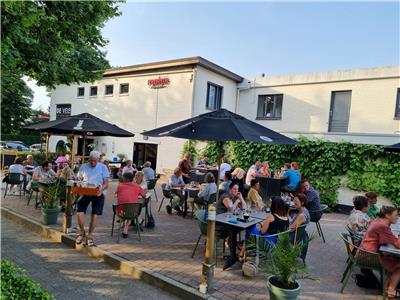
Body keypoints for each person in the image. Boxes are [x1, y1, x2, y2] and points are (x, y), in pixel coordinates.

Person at [360, 206, 400, 298]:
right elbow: (398, 245)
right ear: (387, 215)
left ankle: (386, 287)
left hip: (365, 252)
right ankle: (390, 291)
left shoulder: (378, 221)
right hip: (368, 257)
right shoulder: (383, 226)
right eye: (396, 215)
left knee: (395, 258)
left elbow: (390, 240)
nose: (397, 217)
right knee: (398, 262)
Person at [75, 151, 109, 247]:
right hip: (86, 192)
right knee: (79, 212)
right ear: (89, 159)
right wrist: (79, 184)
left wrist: (101, 189)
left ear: (98, 159)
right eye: (91, 160)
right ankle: (81, 232)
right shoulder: (84, 166)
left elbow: (106, 183)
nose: (93, 162)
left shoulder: (103, 167)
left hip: (98, 193)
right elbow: (79, 179)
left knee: (95, 215)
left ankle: (90, 236)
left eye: (95, 161)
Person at [216, 182, 247, 270]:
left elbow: (245, 208)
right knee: (233, 230)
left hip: (227, 223)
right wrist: (237, 201)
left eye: (237, 189)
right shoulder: (226, 196)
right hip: (219, 224)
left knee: (240, 228)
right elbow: (230, 209)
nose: (236, 191)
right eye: (234, 189)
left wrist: (241, 198)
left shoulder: (235, 197)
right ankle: (233, 256)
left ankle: (233, 255)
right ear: (230, 189)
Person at [115, 172, 145, 238]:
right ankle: (125, 229)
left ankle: (125, 229)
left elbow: (116, 194)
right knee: (130, 209)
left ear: (125, 179)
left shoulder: (119, 186)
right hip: (133, 212)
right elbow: (144, 195)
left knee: (125, 207)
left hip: (120, 212)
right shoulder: (137, 186)